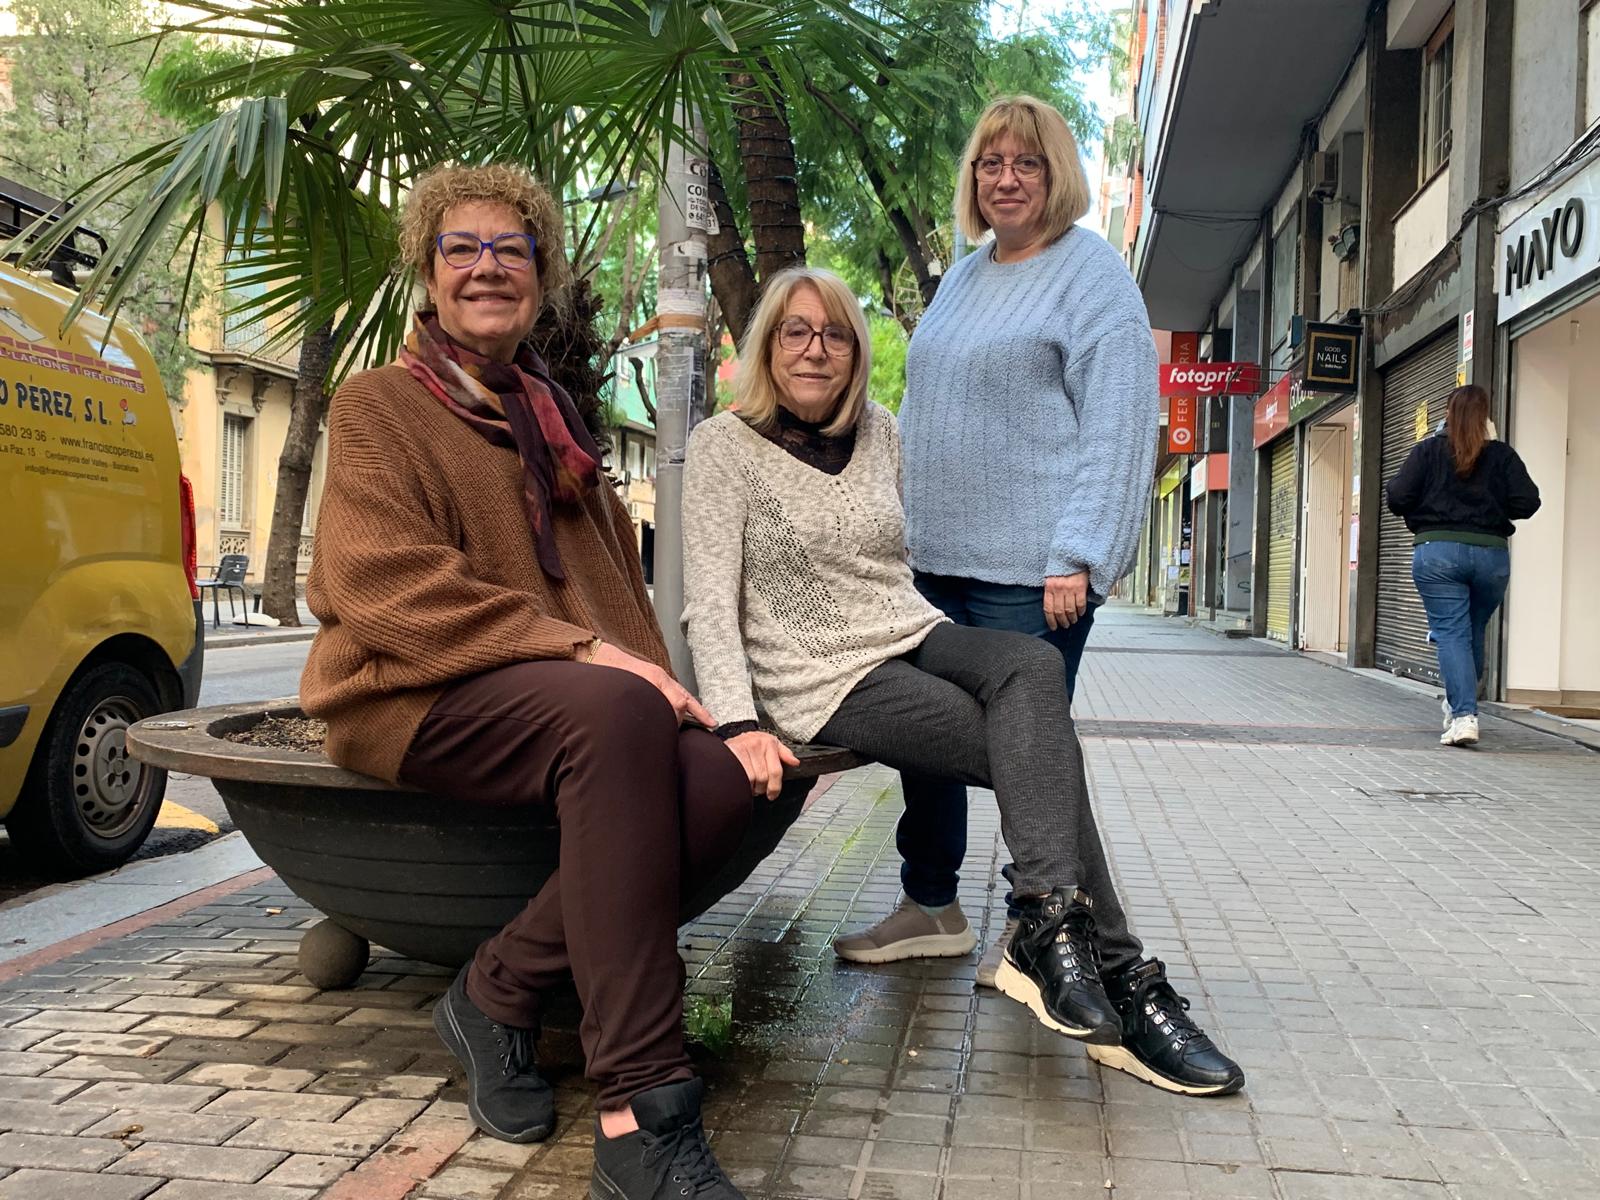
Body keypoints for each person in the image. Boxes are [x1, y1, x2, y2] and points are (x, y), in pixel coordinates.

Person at [300, 163, 758, 1200]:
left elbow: (616, 601)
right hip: (408, 690)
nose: (487, 266)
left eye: (512, 249)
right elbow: (378, 584)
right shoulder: (377, 405)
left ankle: (495, 991)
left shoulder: (554, 420)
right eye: (461, 248)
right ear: (428, 272)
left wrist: (686, 710)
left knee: (718, 780)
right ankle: (641, 1110)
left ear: (540, 277)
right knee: (615, 709)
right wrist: (588, 657)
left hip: (560, 697)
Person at [681, 266, 1243, 1098]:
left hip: (909, 630)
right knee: (1033, 753)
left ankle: (1045, 920)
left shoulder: (880, 430)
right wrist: (736, 723)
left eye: (835, 335)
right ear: (767, 345)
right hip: (820, 674)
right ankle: (1122, 975)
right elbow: (708, 601)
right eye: (795, 331)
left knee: (1032, 667)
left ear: (856, 353)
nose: (815, 349)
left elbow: (898, 551)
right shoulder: (723, 446)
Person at [845, 96, 1161, 1006]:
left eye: (1026, 162)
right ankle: (930, 905)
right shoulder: (962, 277)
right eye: (991, 163)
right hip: (931, 564)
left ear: (1056, 173)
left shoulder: (1092, 275)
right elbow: (927, 413)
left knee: (1028, 753)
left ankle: (1041, 927)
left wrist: (1083, 553)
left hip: (1036, 575)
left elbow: (1120, 422)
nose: (1007, 178)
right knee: (926, 747)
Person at [1386, 384, 1540, 747]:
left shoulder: (1427, 451)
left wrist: (1425, 511)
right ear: (1486, 416)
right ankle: (1459, 704)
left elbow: (1397, 496)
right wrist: (1495, 505)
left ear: (1447, 413)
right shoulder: (1502, 455)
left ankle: (1464, 715)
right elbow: (1528, 502)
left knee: (1452, 633)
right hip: (1490, 556)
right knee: (1471, 630)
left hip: (1438, 552)